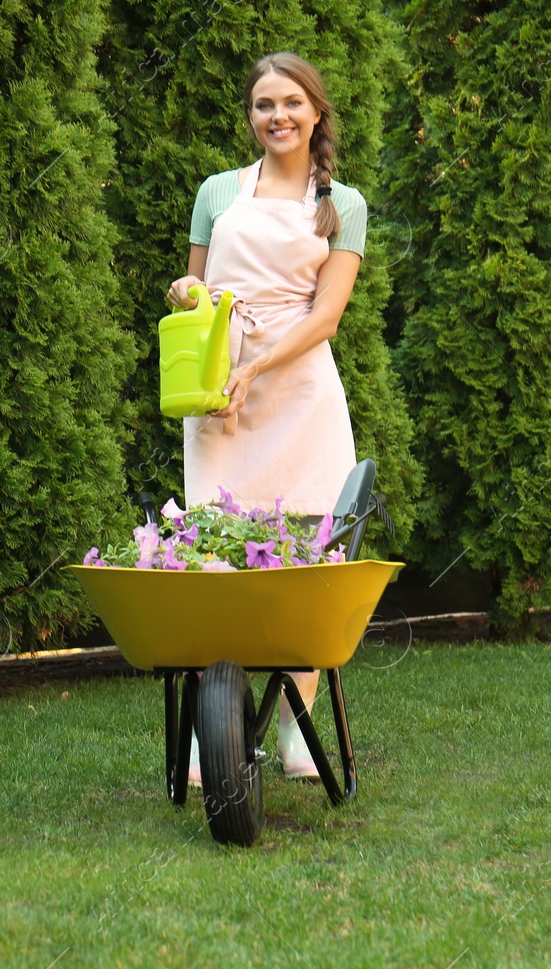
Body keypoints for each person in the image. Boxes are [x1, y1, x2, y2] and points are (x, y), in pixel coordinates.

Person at [168, 51, 367, 783]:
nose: (277, 116)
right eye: (263, 105)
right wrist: (187, 292)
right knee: (214, 550)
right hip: (222, 390)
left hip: (299, 390)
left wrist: (259, 364)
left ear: (316, 111)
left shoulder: (342, 204)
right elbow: (198, 282)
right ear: (250, 117)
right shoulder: (218, 191)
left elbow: (326, 317)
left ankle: (294, 723)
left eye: (290, 103)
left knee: (306, 552)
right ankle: (207, 733)